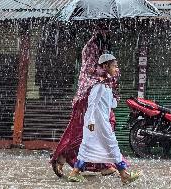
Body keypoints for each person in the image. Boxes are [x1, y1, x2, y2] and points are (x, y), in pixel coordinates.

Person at [50, 29, 119, 177]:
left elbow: (110, 73)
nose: (108, 30)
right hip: (88, 96)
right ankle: (62, 157)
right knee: (81, 132)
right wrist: (104, 73)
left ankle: (103, 164)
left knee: (105, 127)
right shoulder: (91, 47)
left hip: (102, 97)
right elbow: (89, 70)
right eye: (105, 27)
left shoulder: (104, 46)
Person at [67, 54, 140, 184]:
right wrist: (91, 123)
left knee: (87, 146)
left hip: (99, 122)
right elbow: (92, 103)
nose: (117, 69)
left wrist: (115, 97)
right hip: (97, 122)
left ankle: (75, 172)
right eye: (115, 66)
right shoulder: (99, 84)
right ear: (106, 66)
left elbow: (111, 105)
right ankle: (124, 175)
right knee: (112, 146)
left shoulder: (107, 84)